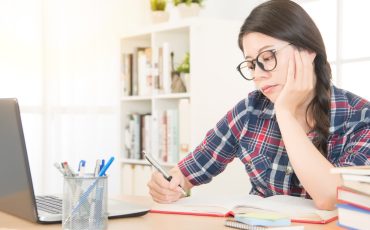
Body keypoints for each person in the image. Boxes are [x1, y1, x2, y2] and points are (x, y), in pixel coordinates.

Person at [147, 0, 370, 210]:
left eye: (267, 57)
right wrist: (170, 183)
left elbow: (332, 196)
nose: (258, 75)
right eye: (252, 64)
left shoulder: (360, 117)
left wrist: (284, 112)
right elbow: (187, 173)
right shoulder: (249, 111)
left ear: (307, 51)